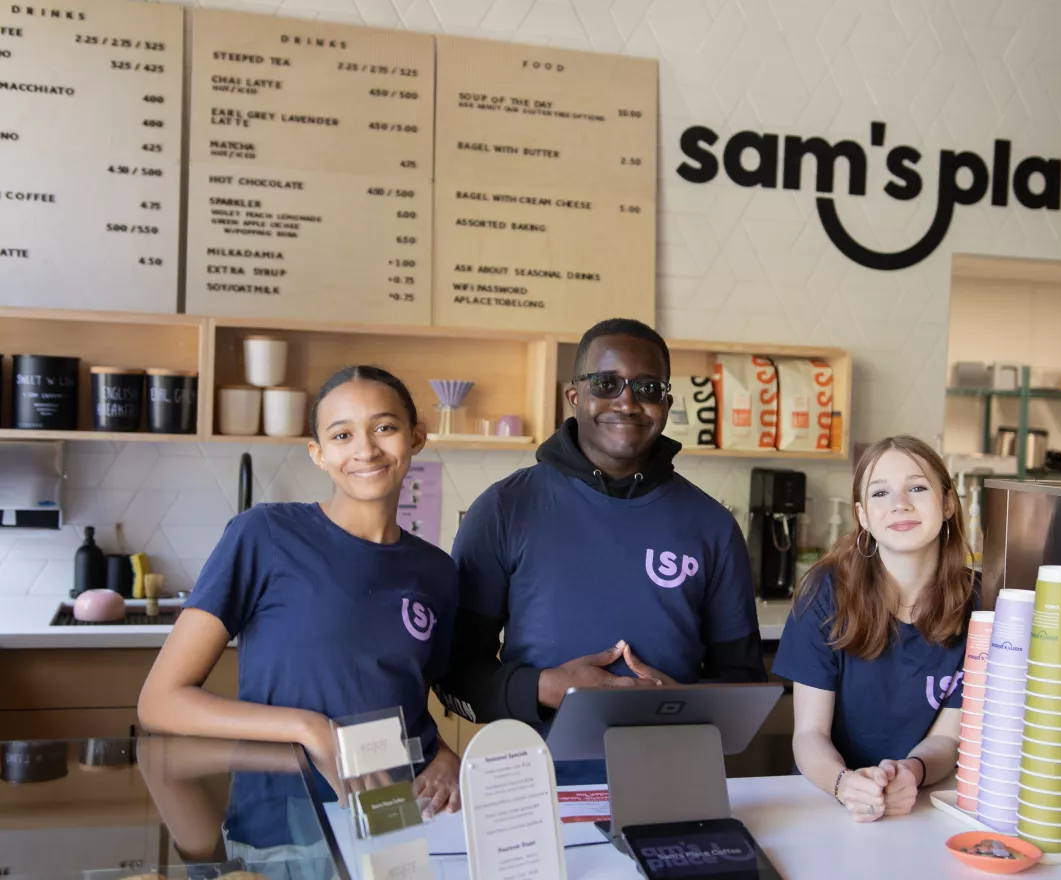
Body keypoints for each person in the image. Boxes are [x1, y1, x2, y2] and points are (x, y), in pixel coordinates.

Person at [435, 318, 768, 784]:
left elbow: (745, 683)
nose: (627, 402)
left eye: (648, 387)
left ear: (667, 403)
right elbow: (452, 674)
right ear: (574, 396)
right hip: (531, 788)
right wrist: (549, 688)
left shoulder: (712, 526)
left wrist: (680, 700)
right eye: (606, 383)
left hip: (674, 783)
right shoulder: (503, 510)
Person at [138, 365, 461, 816]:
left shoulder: (437, 571)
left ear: (416, 437)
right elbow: (159, 702)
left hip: (396, 812)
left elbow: (403, 701)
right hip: (283, 820)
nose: (366, 449)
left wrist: (443, 755)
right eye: (342, 435)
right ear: (318, 453)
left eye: (384, 428)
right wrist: (311, 728)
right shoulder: (265, 534)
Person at [772, 435, 974, 822]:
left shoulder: (979, 605)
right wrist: (845, 783)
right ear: (863, 515)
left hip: (924, 804)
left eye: (917, 487)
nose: (900, 503)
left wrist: (910, 773)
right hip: (827, 802)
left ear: (948, 503)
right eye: (880, 493)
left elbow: (949, 739)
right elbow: (810, 734)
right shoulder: (824, 592)